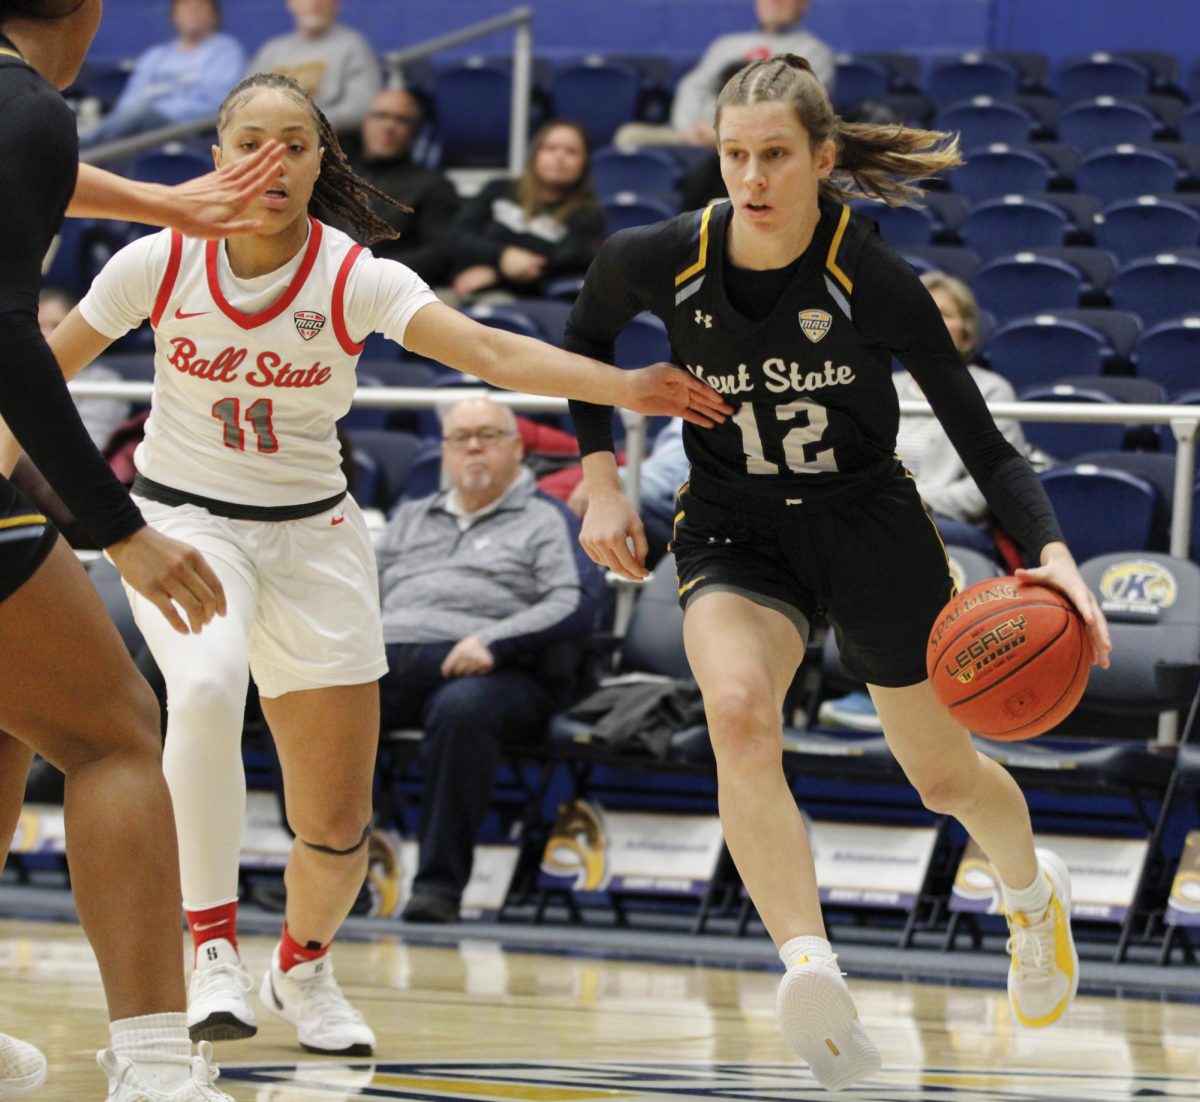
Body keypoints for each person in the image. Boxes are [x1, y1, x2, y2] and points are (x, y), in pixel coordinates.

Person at [41, 70, 727, 1057]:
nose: (269, 161)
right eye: (249, 142)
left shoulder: (352, 273)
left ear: (323, 163)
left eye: (294, 142)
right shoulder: (159, 260)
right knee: (201, 687)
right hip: (188, 523)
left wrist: (622, 384)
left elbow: (494, 352)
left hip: (315, 540)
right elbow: (40, 377)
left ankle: (304, 965)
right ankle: (210, 950)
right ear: (217, 158)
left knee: (335, 823)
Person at [565, 53, 1112, 1093]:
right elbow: (588, 341)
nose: (754, 176)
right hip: (736, 525)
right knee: (735, 711)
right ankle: (813, 973)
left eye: (776, 155)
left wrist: (1055, 561)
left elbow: (984, 442)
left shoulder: (870, 274)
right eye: (735, 155)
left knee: (943, 776)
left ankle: (1033, 894)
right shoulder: (657, 256)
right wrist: (599, 479)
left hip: (869, 526)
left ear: (822, 158)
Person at [0, 1, 285, 1098]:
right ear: (84, 11)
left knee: (16, 711)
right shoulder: (29, 104)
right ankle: (161, 1066)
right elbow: (4, 332)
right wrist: (116, 527)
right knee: (117, 734)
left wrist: (159, 202)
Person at [376, 396, 601, 924]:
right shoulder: (409, 518)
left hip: (499, 672)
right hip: (389, 662)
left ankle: (438, 888)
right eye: (460, 438)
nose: (473, 446)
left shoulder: (547, 520)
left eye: (489, 435)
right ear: (445, 452)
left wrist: (493, 642)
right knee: (304, 695)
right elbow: (357, 593)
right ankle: (339, 870)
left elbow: (576, 604)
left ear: (518, 448)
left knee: (462, 710)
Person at [819, 270, 1028, 730]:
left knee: (889, 539)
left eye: (946, 314)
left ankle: (898, 694)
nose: (933, 321)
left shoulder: (991, 389)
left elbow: (985, 487)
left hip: (951, 522)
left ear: (967, 329)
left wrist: (915, 500)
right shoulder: (884, 384)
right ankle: (862, 683)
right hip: (884, 513)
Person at [614, 0, 835, 151]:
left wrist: (727, 135)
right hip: (695, 134)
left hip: (760, 142)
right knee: (629, 136)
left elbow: (800, 108)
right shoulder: (727, 45)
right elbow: (693, 87)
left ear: (803, 5)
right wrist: (690, 129)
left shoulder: (813, 51)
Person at [445, 120, 607, 302]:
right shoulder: (498, 188)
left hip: (521, 301)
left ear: (584, 163)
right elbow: (457, 238)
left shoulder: (588, 214)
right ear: (535, 154)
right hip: (459, 286)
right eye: (550, 148)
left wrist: (497, 274)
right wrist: (502, 257)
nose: (559, 156)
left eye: (571, 151)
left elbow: (564, 262)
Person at [78, 0, 244, 148]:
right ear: (174, 15)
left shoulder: (225, 50)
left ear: (214, 15)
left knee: (140, 112)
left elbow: (216, 103)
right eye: (186, 6)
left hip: (191, 130)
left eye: (200, 6)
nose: (193, 10)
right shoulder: (155, 55)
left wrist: (158, 110)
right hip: (138, 129)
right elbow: (129, 101)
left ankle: (82, 143)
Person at [341, 88, 460, 283]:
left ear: (414, 133)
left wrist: (371, 270)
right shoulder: (333, 177)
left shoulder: (433, 186)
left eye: (401, 120)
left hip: (392, 292)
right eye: (381, 116)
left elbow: (440, 254)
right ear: (365, 123)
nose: (389, 126)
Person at [564, 417, 688, 569]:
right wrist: (605, 486)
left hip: (708, 528)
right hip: (674, 514)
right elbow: (663, 472)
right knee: (604, 517)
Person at [246, 0, 380, 135]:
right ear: (291, 3)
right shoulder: (272, 51)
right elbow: (244, 101)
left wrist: (304, 123)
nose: (314, 3)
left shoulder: (353, 46)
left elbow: (362, 107)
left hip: (329, 144)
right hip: (270, 141)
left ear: (336, 3)